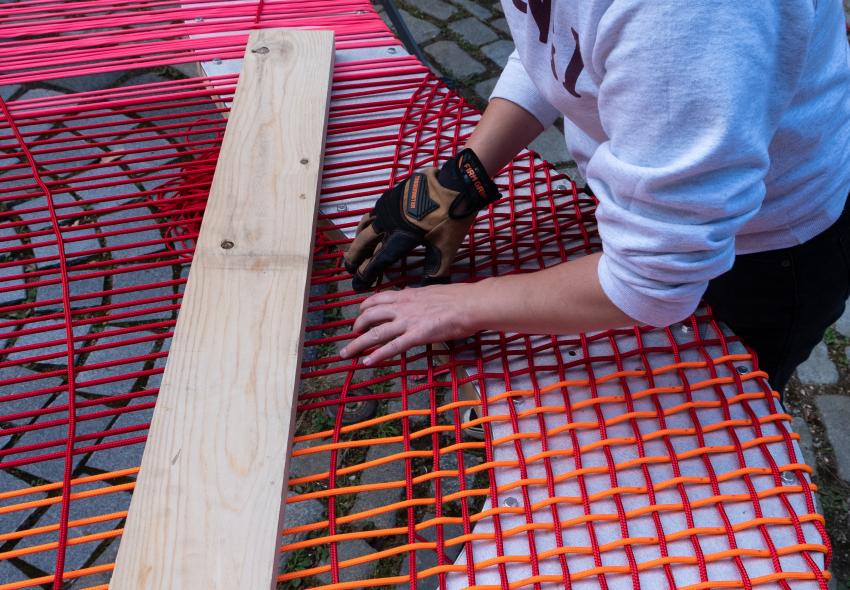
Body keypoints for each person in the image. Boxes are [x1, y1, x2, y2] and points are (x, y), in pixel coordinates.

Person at [341, 0, 850, 394]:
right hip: (658, 211)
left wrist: (462, 304)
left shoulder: (687, 16)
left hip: (766, 250)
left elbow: (651, 280)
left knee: (720, 419)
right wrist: (464, 177)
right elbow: (558, 42)